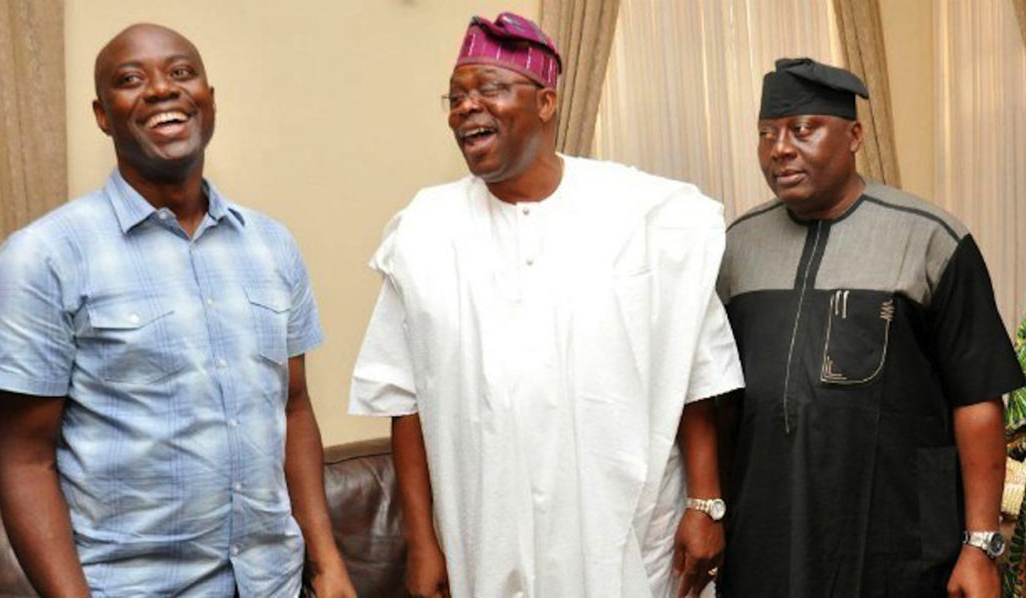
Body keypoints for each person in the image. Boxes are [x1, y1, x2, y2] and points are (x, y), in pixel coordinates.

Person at [349, 12, 743, 598]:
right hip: (489, 530)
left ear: (546, 102)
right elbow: (403, 399)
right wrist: (423, 542)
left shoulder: (644, 214)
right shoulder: (424, 233)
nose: (466, 107)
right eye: (456, 97)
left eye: (489, 89)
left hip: (627, 525)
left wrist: (705, 502)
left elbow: (692, 366)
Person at [0, 23, 354, 597]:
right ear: (102, 115)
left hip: (274, 583)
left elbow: (294, 406)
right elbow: (24, 460)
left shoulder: (273, 246)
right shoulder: (43, 258)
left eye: (181, 73)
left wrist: (326, 562)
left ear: (209, 98)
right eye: (131, 80)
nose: (161, 89)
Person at [716, 57, 1025, 597]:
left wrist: (980, 545)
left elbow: (977, 399)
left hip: (895, 542)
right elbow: (716, 399)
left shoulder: (929, 239)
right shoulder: (736, 248)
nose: (779, 149)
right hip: (766, 539)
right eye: (767, 134)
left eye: (802, 130)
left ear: (854, 136)